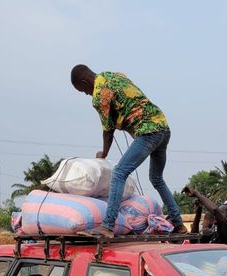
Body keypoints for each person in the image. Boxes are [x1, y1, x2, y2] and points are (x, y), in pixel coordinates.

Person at [70, 64, 186, 238]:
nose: (86, 94)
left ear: (85, 81)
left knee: (119, 173)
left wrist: (104, 153)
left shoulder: (100, 95)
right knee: (156, 178)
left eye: (83, 90)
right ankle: (179, 224)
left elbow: (107, 130)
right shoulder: (113, 75)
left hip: (148, 132)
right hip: (162, 127)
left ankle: (107, 226)